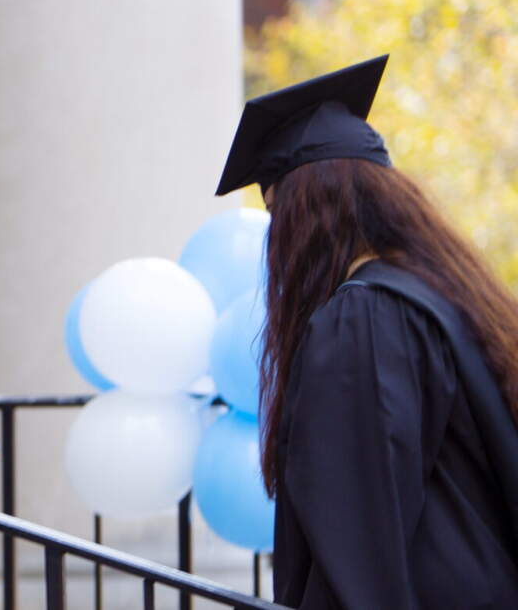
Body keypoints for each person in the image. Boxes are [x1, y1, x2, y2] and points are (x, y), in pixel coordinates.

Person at [215, 55, 518, 609]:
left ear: (312, 215)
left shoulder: (365, 321)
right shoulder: (451, 298)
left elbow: (356, 540)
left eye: (280, 214)